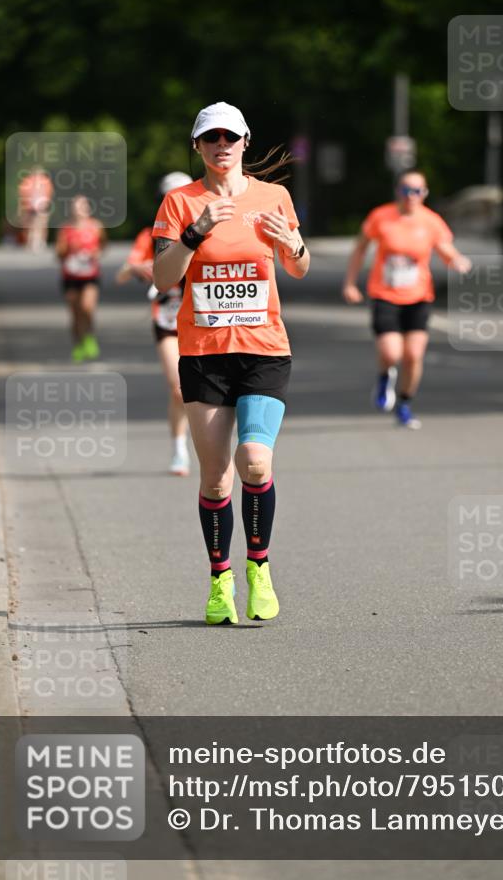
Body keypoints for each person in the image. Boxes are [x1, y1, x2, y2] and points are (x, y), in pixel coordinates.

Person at [152, 102, 309, 625]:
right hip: (204, 355)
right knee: (217, 479)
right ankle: (220, 580)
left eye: (230, 137)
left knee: (255, 462)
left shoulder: (273, 197)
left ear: (245, 141)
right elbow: (163, 278)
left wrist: (294, 244)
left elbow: (298, 267)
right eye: (211, 138)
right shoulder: (180, 202)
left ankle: (258, 568)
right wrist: (194, 233)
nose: (221, 145)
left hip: (264, 348)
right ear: (197, 146)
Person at [343, 169, 472, 429]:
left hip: (418, 296)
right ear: (397, 191)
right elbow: (360, 248)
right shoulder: (381, 216)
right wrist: (350, 283)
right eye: (406, 190)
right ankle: (384, 376)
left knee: (413, 355)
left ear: (424, 193)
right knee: (391, 353)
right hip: (385, 294)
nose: (411, 196)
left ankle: (404, 403)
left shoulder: (431, 221)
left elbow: (445, 249)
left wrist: (457, 261)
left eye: (417, 191)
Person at [116, 172, 193, 477]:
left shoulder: (206, 230)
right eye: (170, 198)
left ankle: (212, 444)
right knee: (178, 389)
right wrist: (140, 267)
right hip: (168, 320)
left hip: (205, 321)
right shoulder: (153, 235)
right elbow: (122, 273)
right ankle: (179, 449)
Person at [56, 195, 106, 362]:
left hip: (90, 275)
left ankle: (90, 337)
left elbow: (103, 246)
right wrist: (68, 249)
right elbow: (59, 254)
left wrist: (94, 254)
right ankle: (78, 344)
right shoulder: (65, 229)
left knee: (87, 307)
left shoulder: (96, 226)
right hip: (71, 275)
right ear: (71, 209)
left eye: (83, 206)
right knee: (75, 313)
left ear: (88, 208)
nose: (79, 209)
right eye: (76, 206)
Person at [18, 165, 53, 251]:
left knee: (38, 225)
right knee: (35, 225)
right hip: (32, 207)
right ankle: (34, 242)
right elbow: (23, 193)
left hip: (37, 206)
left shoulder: (41, 181)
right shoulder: (41, 181)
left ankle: (37, 241)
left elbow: (48, 193)